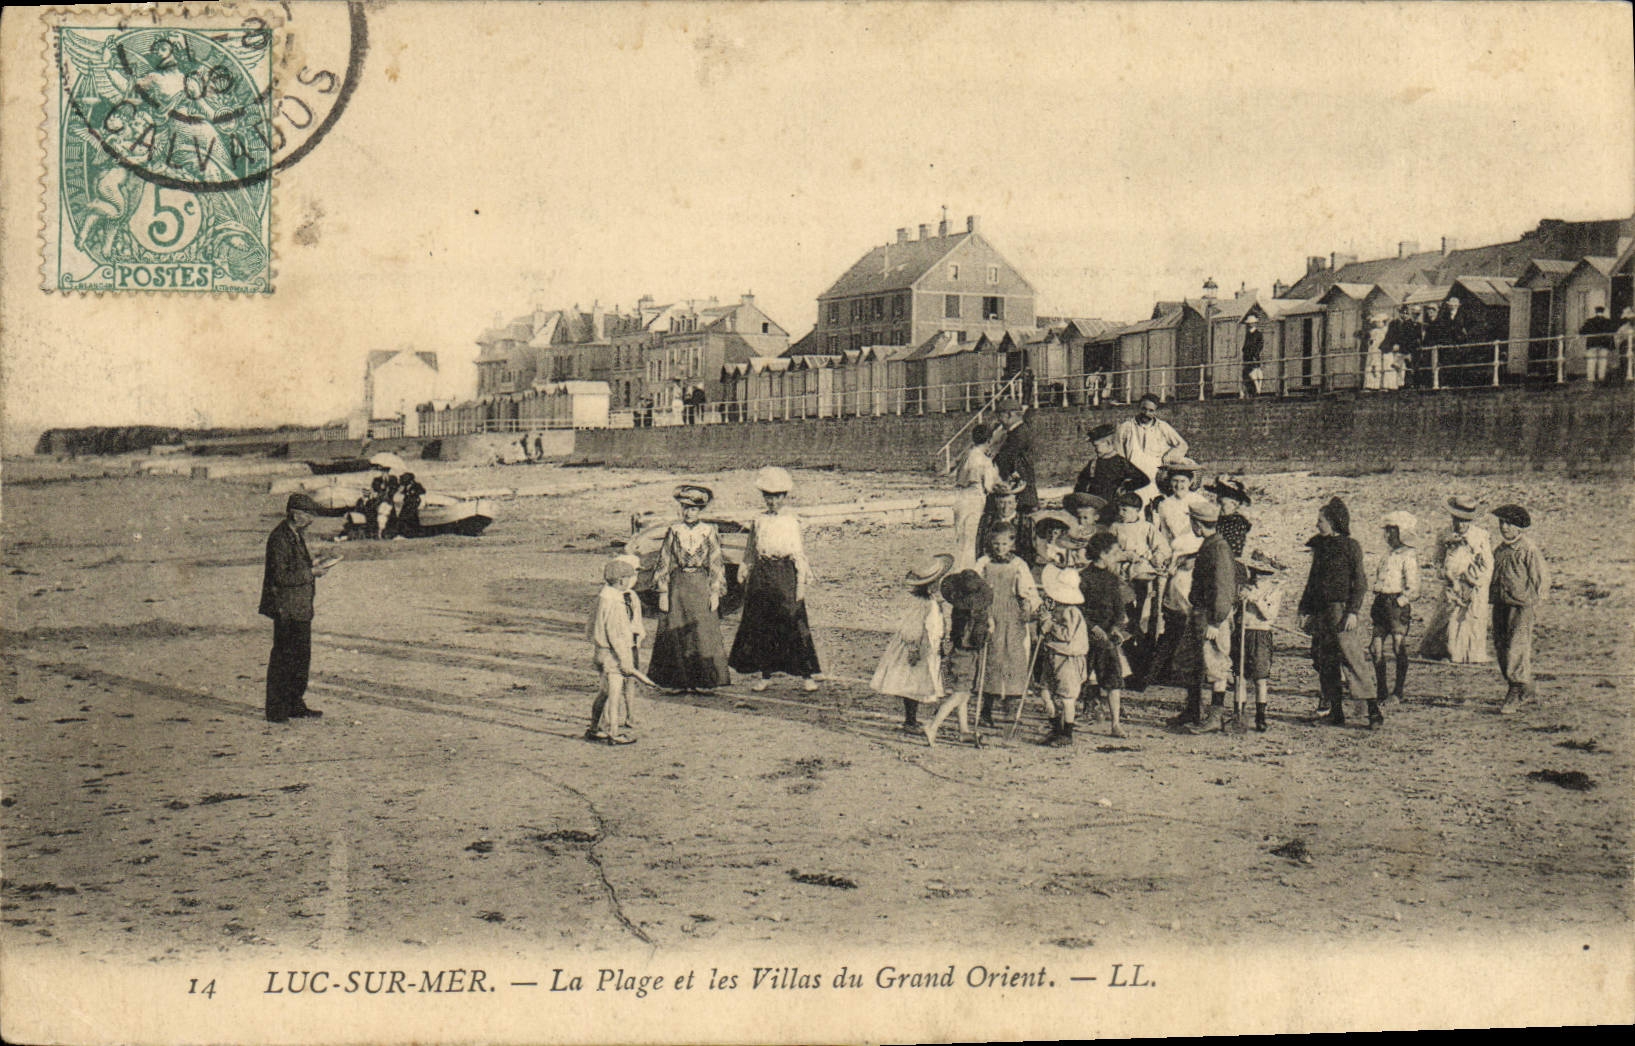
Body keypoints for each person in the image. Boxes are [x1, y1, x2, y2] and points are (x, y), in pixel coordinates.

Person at [728, 467, 822, 692]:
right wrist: (744, 567)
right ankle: (765, 674)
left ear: (784, 497)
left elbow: (798, 553)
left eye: (777, 497)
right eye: (768, 496)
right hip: (762, 573)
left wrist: (800, 584)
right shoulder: (758, 520)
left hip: (785, 572)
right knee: (762, 623)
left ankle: (806, 675)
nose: (772, 501)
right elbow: (751, 548)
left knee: (793, 619)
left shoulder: (791, 521)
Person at [1298, 497, 1375, 727]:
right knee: (1325, 662)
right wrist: (1304, 609)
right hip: (1321, 612)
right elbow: (1312, 582)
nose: (1316, 525)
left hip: (1340, 612)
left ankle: (1373, 712)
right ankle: (1336, 711)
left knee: (1353, 659)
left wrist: (1352, 612)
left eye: (1320, 520)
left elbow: (1360, 583)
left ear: (1332, 522)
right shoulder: (1320, 547)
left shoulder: (1351, 546)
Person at [647, 484, 731, 693]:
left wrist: (715, 591)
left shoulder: (709, 531)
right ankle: (677, 682)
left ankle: (704, 681)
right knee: (675, 630)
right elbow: (664, 561)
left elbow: (716, 562)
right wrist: (663, 592)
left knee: (702, 631)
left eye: (693, 508)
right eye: (684, 507)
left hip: (701, 584)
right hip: (678, 586)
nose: (688, 512)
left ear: (700, 510)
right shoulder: (674, 531)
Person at [259, 493, 331, 723]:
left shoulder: (295, 535)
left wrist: (315, 564)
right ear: (295, 514)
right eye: (307, 515)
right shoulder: (279, 538)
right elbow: (280, 576)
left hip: (299, 607)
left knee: (300, 659)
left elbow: (294, 566)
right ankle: (277, 710)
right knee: (283, 659)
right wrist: (311, 572)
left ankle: (295, 704)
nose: (310, 520)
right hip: (286, 608)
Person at [872, 554, 953, 736]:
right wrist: (914, 648)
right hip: (917, 647)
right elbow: (912, 628)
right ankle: (910, 720)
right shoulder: (924, 605)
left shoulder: (930, 603)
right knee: (912, 683)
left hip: (926, 645)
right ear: (930, 585)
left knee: (918, 683)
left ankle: (914, 719)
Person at [1178, 501, 1239, 733]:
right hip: (1200, 612)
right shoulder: (1210, 545)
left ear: (1197, 524)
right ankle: (1193, 710)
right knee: (1191, 661)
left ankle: (1215, 716)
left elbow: (1224, 588)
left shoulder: (1219, 548)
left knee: (1216, 665)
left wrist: (1216, 621)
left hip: (1212, 616)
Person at [975, 527, 1040, 729]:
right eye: (996, 543)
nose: (1000, 548)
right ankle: (986, 708)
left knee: (1014, 657)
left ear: (1012, 544)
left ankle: (1011, 707)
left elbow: (1028, 591)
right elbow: (975, 585)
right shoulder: (984, 562)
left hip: (1012, 615)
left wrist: (1028, 608)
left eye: (1004, 543)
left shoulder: (1018, 564)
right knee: (992, 660)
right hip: (991, 613)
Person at [1419, 495, 1494, 663]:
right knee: (1448, 616)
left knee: (1469, 618)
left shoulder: (1481, 536)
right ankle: (1445, 651)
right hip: (1451, 583)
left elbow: (1488, 565)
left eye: (1466, 521)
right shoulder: (1444, 534)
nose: (1461, 524)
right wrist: (1446, 574)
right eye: (1458, 520)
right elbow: (1437, 560)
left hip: (1473, 583)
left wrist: (1473, 580)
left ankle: (1467, 653)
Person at [1490, 504, 1548, 715]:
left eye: (1509, 523)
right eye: (1501, 523)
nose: (1504, 527)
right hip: (1500, 604)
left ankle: (1515, 690)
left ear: (1520, 527)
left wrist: (1538, 604)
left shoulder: (1528, 549)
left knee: (1516, 647)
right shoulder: (1499, 550)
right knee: (1501, 646)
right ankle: (1527, 689)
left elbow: (1540, 579)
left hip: (1521, 606)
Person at [925, 570, 992, 747]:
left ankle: (964, 731)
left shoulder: (959, 611)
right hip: (966, 654)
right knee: (959, 693)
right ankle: (933, 725)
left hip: (958, 652)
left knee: (964, 692)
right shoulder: (973, 616)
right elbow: (976, 639)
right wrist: (987, 632)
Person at [1079, 531, 1132, 738]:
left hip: (1107, 636)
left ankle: (1115, 724)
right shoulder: (1084, 578)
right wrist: (1093, 628)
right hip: (1087, 634)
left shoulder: (1112, 579)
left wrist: (1116, 628)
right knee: (1078, 678)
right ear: (1102, 554)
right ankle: (1066, 718)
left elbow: (1119, 609)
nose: (1117, 555)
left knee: (1113, 678)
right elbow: (1078, 609)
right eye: (1114, 552)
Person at [587, 557, 645, 744]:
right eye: (629, 577)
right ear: (621, 580)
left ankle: (594, 728)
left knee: (603, 692)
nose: (630, 581)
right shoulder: (615, 602)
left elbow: (590, 629)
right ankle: (614, 732)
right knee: (614, 694)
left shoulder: (601, 598)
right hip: (613, 654)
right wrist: (625, 659)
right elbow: (616, 635)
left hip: (599, 651)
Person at [1370, 511, 1420, 707]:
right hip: (1381, 602)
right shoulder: (1387, 555)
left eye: (1392, 532)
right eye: (1387, 531)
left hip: (1396, 605)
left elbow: (1414, 587)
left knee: (1398, 646)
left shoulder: (1408, 555)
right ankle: (1381, 690)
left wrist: (1400, 601)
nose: (1387, 536)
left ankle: (1398, 691)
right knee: (1375, 648)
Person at [1036, 565, 1089, 747]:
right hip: (1053, 654)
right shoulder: (1057, 610)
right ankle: (1055, 726)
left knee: (1067, 697)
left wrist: (1049, 625)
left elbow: (1066, 635)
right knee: (1045, 691)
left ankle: (1066, 732)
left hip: (1068, 659)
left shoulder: (1071, 612)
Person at [1238, 552, 1286, 733]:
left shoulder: (1274, 591)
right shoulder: (1245, 587)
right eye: (1254, 571)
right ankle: (1240, 712)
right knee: (1240, 675)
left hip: (1261, 634)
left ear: (1270, 575)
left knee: (1260, 677)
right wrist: (1240, 598)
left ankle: (1260, 716)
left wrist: (1255, 600)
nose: (1257, 576)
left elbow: (1269, 616)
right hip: (1243, 632)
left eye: (1263, 573)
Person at [951, 421, 1004, 571]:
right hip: (974, 499)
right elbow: (990, 486)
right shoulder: (984, 460)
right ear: (989, 441)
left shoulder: (968, 454)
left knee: (961, 538)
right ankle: (967, 571)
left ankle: (959, 570)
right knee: (971, 539)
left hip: (960, 497)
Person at [1114, 395, 1188, 503]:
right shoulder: (1126, 427)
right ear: (1139, 408)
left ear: (1156, 411)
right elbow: (1118, 454)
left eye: (1151, 410)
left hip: (1156, 478)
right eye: (1144, 409)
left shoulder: (1163, 427)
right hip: (1135, 478)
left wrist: (1169, 456)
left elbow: (1182, 445)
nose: (1146, 413)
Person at [991, 398, 1038, 552]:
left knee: (1019, 531)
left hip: (1019, 492)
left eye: (1000, 416)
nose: (999, 420)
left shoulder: (1018, 434)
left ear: (1010, 415)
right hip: (1020, 490)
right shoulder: (1018, 432)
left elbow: (1006, 460)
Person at [1073, 423, 1147, 506]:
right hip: (1095, 507)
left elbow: (1143, 479)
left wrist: (1125, 487)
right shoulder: (1093, 464)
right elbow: (1081, 483)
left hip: (1114, 506)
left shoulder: (1120, 462)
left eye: (1097, 446)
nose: (1095, 449)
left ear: (1108, 443)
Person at [975, 476, 1026, 566]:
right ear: (996, 502)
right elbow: (980, 547)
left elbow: (1030, 552)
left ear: (1016, 503)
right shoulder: (987, 520)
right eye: (1002, 503)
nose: (1006, 507)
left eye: (1010, 502)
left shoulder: (1026, 521)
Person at [1206, 476, 1253, 556]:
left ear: (1234, 504)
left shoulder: (1237, 523)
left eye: (1221, 503)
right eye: (1217, 502)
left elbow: (1231, 551)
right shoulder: (1219, 519)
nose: (1218, 507)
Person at [1580, 305, 1617, 384]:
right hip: (1604, 345)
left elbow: (1582, 332)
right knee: (1602, 361)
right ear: (1603, 312)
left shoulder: (1590, 321)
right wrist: (1612, 346)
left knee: (1591, 361)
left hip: (1592, 345)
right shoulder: (1608, 321)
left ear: (1596, 312)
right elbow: (1611, 333)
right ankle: (1601, 378)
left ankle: (1591, 379)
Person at [395, 471, 426, 538]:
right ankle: (405, 533)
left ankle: (411, 534)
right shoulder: (405, 486)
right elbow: (401, 493)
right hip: (407, 503)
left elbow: (422, 493)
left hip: (413, 504)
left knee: (410, 518)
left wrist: (421, 504)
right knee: (403, 517)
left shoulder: (417, 485)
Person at [1240, 315, 1265, 396]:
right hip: (1247, 356)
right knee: (1249, 373)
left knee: (1256, 371)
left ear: (1255, 324)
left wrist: (1255, 354)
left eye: (1252, 323)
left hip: (1254, 356)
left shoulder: (1258, 334)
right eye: (1249, 323)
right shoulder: (1248, 334)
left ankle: (1258, 389)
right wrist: (1244, 351)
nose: (1250, 325)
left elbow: (1260, 345)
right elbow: (1245, 345)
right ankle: (1252, 390)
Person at [1615, 307, 1635, 383]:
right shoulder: (1623, 328)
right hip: (1626, 348)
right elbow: (1617, 338)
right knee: (1625, 361)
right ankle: (1625, 377)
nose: (1632, 320)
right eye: (1631, 319)